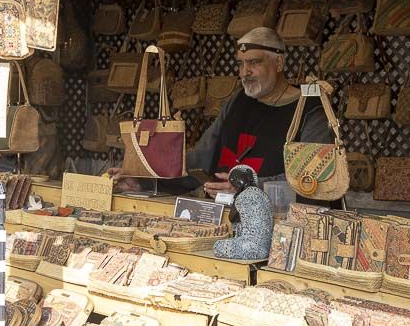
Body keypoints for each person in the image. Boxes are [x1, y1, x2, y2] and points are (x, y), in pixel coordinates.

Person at [111, 27, 333, 198]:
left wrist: (249, 188)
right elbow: (201, 159)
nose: (245, 72)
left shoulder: (309, 108)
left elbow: (313, 181)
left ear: (279, 63)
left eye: (254, 62)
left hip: (278, 227)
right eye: (240, 64)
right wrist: (144, 180)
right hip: (223, 217)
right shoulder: (238, 101)